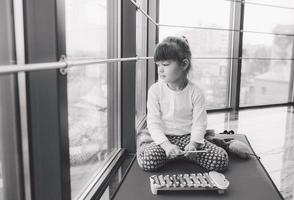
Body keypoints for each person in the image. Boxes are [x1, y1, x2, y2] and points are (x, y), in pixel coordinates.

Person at [136, 36, 229, 172]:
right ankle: (174, 154)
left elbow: (199, 123)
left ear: (184, 64)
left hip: (188, 138)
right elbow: (153, 123)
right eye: (158, 65)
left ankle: (184, 155)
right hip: (164, 138)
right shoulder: (155, 90)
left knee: (221, 160)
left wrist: (193, 144)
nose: (160, 69)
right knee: (147, 160)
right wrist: (166, 146)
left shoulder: (196, 92)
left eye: (166, 65)